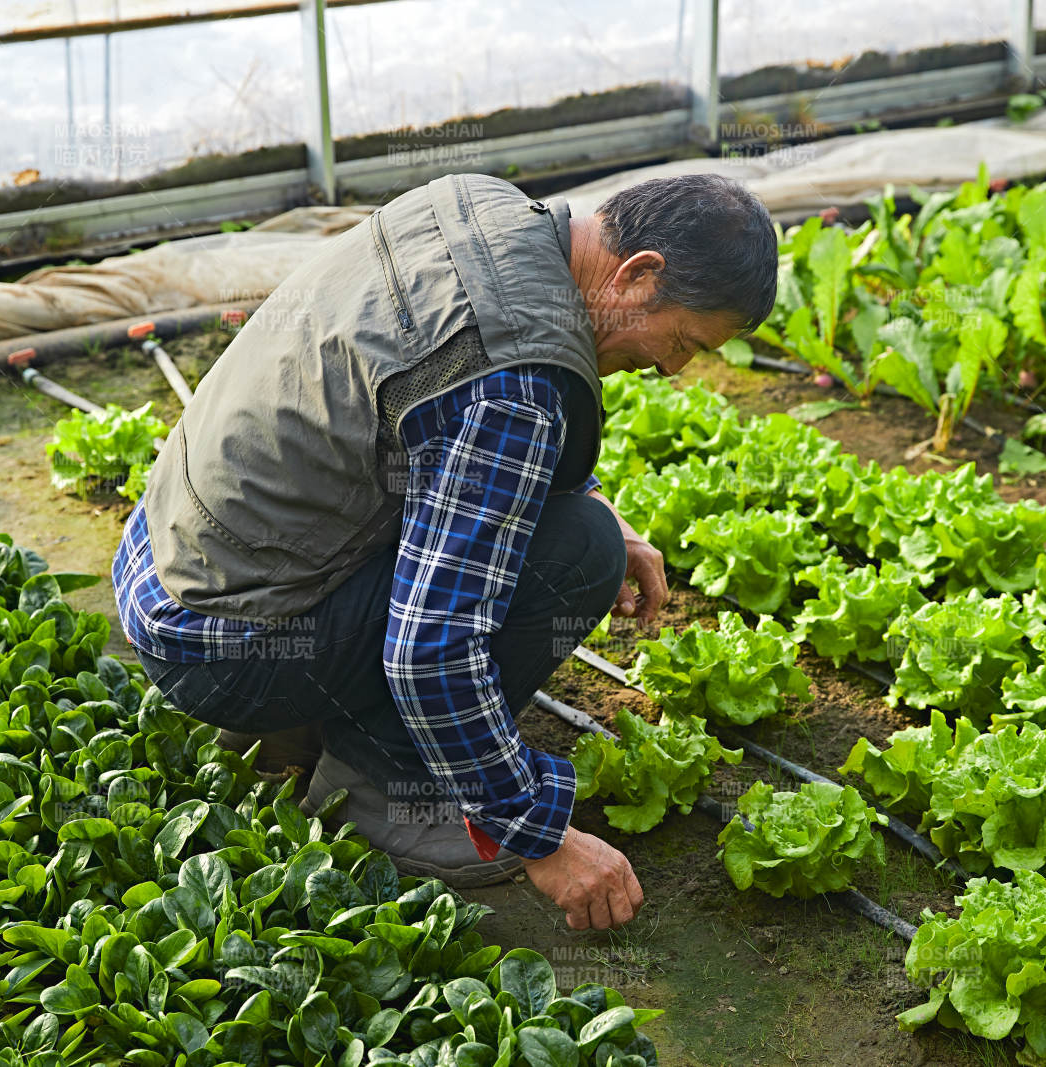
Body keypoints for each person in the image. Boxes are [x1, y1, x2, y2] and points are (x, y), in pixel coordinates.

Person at [112, 171, 777, 931]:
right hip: (225, 650)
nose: (674, 369)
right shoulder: (514, 383)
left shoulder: (482, 206)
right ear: (639, 274)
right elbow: (432, 650)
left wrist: (585, 489)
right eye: (685, 341)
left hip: (175, 576)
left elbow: (435, 407)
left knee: (571, 519)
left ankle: (287, 724)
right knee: (579, 554)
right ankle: (377, 784)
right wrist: (536, 834)